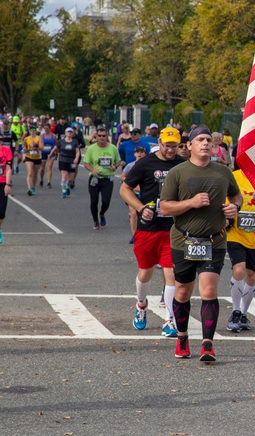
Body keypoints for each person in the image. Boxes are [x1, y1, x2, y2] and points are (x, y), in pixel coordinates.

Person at [159, 126, 241, 362]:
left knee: (209, 290)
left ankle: (207, 344)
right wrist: (191, 203)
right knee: (183, 291)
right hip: (184, 240)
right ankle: (182, 336)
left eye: (209, 140)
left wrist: (234, 207)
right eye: (200, 140)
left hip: (214, 240)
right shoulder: (177, 172)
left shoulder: (223, 172)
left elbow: (236, 196)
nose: (205, 143)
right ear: (190, 146)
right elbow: (165, 207)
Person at [120, 127, 184, 337]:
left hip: (173, 229)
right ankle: (141, 305)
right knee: (145, 272)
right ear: (160, 143)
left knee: (171, 273)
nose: (171, 150)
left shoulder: (183, 165)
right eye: (167, 146)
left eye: (175, 147)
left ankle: (170, 319)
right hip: (148, 229)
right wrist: (141, 208)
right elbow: (125, 189)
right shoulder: (145, 163)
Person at [225, 157, 255, 332]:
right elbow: (225, 201)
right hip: (236, 232)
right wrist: (225, 218)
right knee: (239, 270)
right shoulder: (232, 177)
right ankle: (235, 310)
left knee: (253, 276)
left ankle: (243, 313)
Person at [82, 127, 121, 230]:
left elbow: (118, 161)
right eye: (99, 136)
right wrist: (92, 170)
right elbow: (86, 163)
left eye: (104, 136)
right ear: (96, 137)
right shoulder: (91, 148)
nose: (102, 138)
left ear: (107, 136)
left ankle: (102, 213)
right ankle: (95, 221)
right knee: (94, 201)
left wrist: (115, 167)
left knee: (106, 201)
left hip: (107, 178)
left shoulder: (112, 148)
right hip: (95, 178)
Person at [56, 127, 81, 198]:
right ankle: (63, 192)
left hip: (72, 160)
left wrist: (76, 158)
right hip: (63, 160)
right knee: (64, 176)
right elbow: (57, 148)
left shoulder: (75, 141)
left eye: (71, 132)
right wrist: (56, 155)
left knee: (71, 179)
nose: (69, 133)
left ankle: (67, 186)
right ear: (65, 133)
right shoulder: (61, 141)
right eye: (68, 132)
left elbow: (77, 151)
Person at [22, 124, 43, 195]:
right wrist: (25, 149)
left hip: (37, 157)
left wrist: (36, 146)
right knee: (30, 172)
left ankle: (33, 187)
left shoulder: (39, 138)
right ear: (29, 131)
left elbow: (42, 148)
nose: (32, 132)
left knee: (35, 174)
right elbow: (24, 146)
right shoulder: (26, 138)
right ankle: (29, 188)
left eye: (34, 130)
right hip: (29, 157)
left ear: (36, 131)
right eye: (31, 130)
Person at [0, 140, 11, 244]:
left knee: (1, 212)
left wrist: (7, 184)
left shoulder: (6, 151)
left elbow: (8, 168)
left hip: (2, 182)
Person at [41, 122, 57, 189]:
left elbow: (56, 144)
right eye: (45, 128)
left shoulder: (53, 136)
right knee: (42, 168)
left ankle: (49, 182)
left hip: (51, 153)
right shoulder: (42, 136)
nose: (46, 129)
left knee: (49, 167)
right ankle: (41, 179)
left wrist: (57, 153)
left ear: (50, 128)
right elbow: (40, 144)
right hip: (43, 153)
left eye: (47, 128)